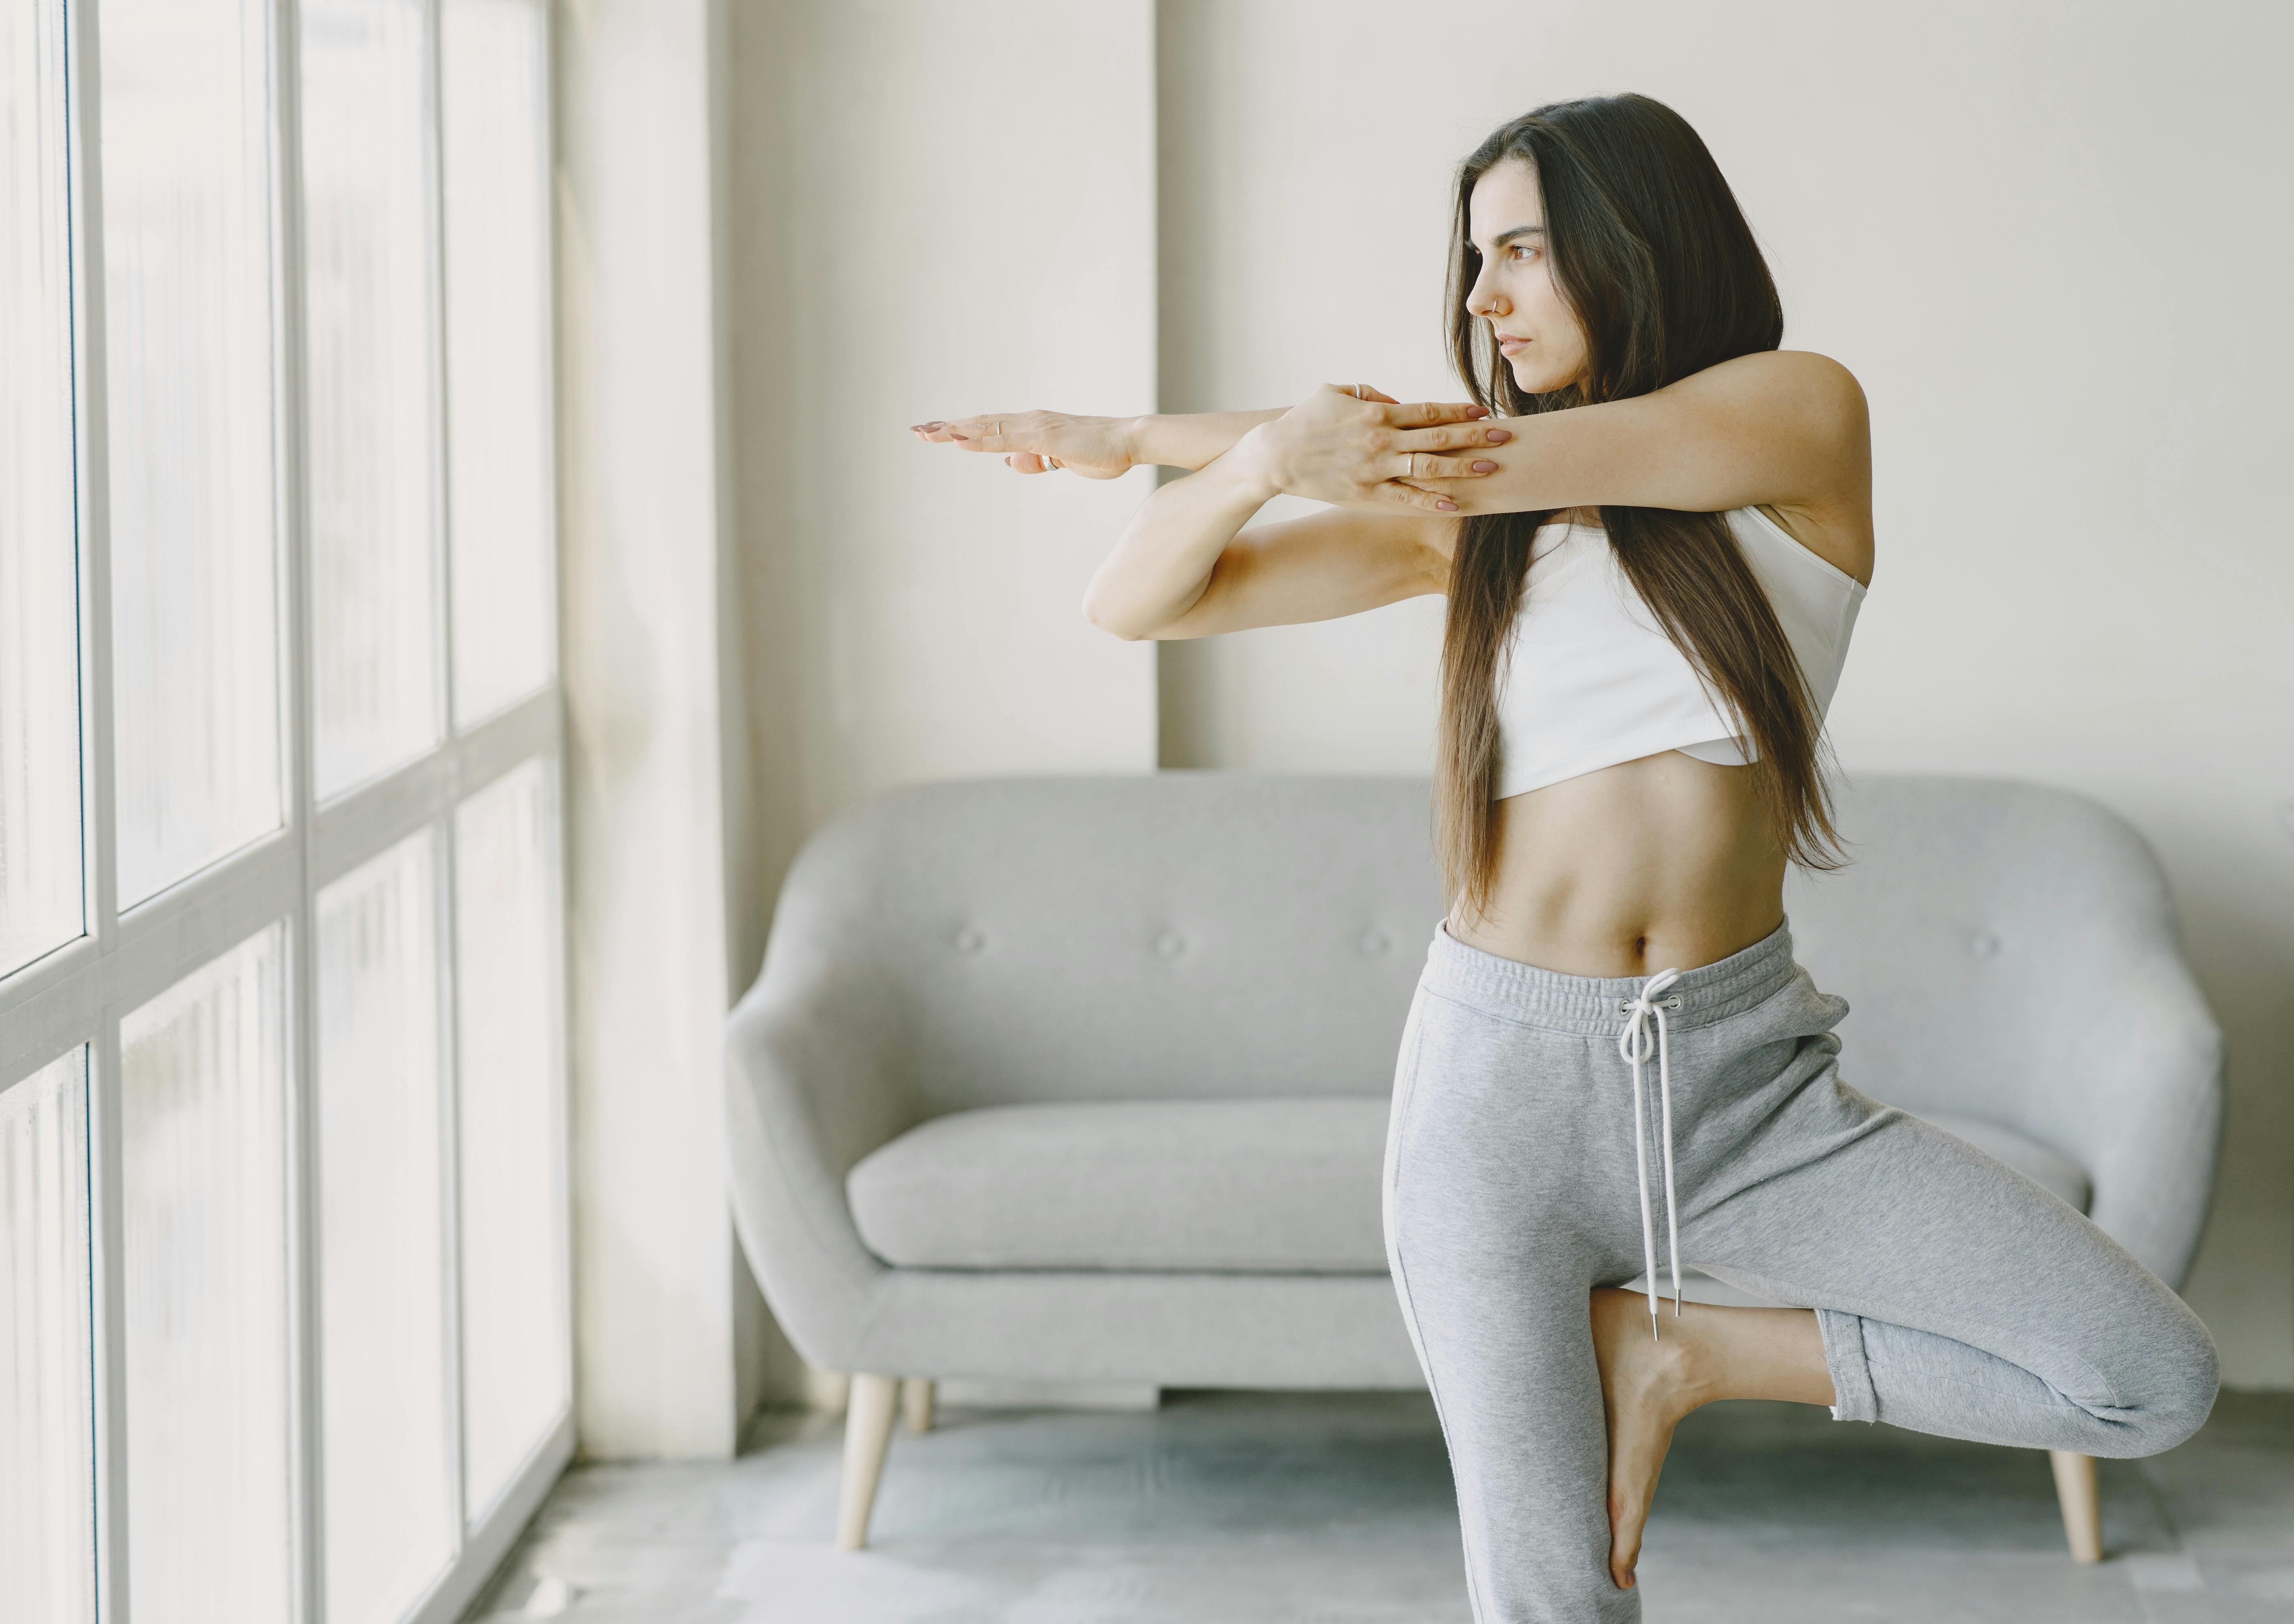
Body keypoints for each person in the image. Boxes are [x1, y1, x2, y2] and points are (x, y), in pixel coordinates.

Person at [911, 90, 2217, 1624]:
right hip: (1497, 1096)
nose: (1483, 298)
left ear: (1636, 244)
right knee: (1551, 1600)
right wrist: (1242, 458)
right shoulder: (1467, 531)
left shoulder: (1800, 418)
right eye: (1476, 260)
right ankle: (1657, 1363)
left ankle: (1687, 1352)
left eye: (1523, 251)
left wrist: (1175, 435)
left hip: (1746, 1091)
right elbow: (1135, 604)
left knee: (2150, 1378)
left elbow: (1475, 456)